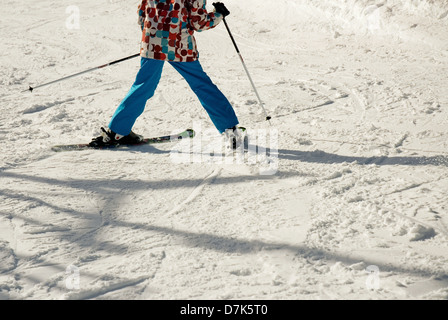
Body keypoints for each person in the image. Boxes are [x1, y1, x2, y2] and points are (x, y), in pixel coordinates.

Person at [90, 0, 243, 149]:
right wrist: (218, 14)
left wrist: (153, 37)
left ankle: (117, 131)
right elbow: (199, 22)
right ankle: (230, 130)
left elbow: (142, 12)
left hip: (153, 42)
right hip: (180, 47)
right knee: (202, 85)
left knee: (144, 85)